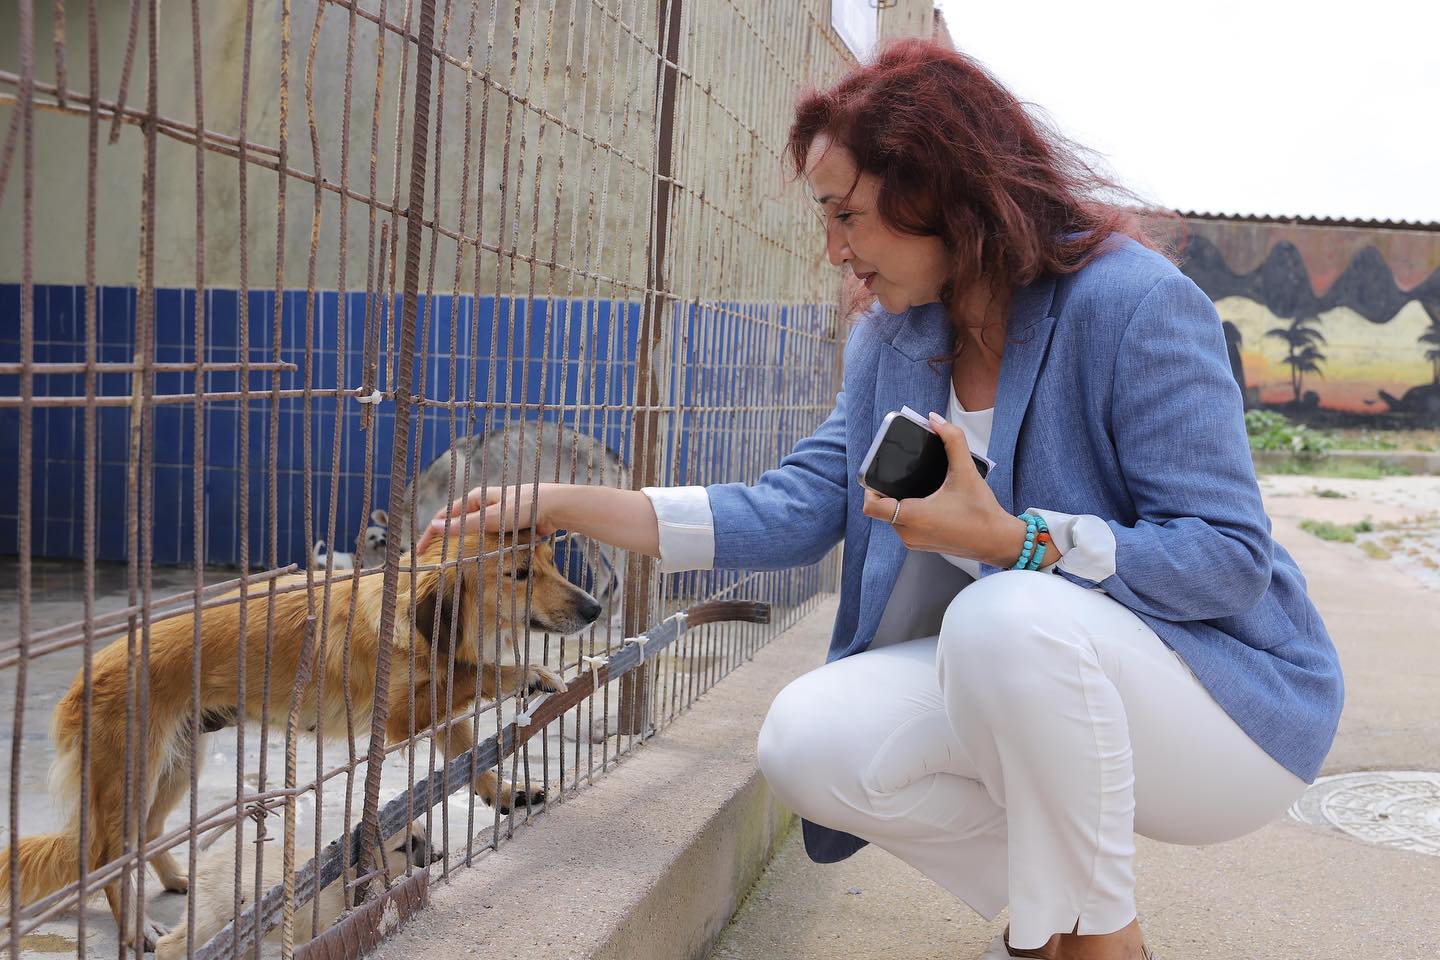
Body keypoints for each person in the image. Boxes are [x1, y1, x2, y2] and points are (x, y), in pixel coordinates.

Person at [415, 38, 1343, 960]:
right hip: (1033, 687)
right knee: (808, 742)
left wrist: (1022, 540)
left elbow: (1226, 556)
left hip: (1224, 711)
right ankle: (1073, 928)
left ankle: (1093, 944)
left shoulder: (1133, 305)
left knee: (1003, 614)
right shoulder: (893, 343)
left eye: (847, 215)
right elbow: (790, 508)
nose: (835, 251)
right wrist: (565, 504)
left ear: (936, 187)